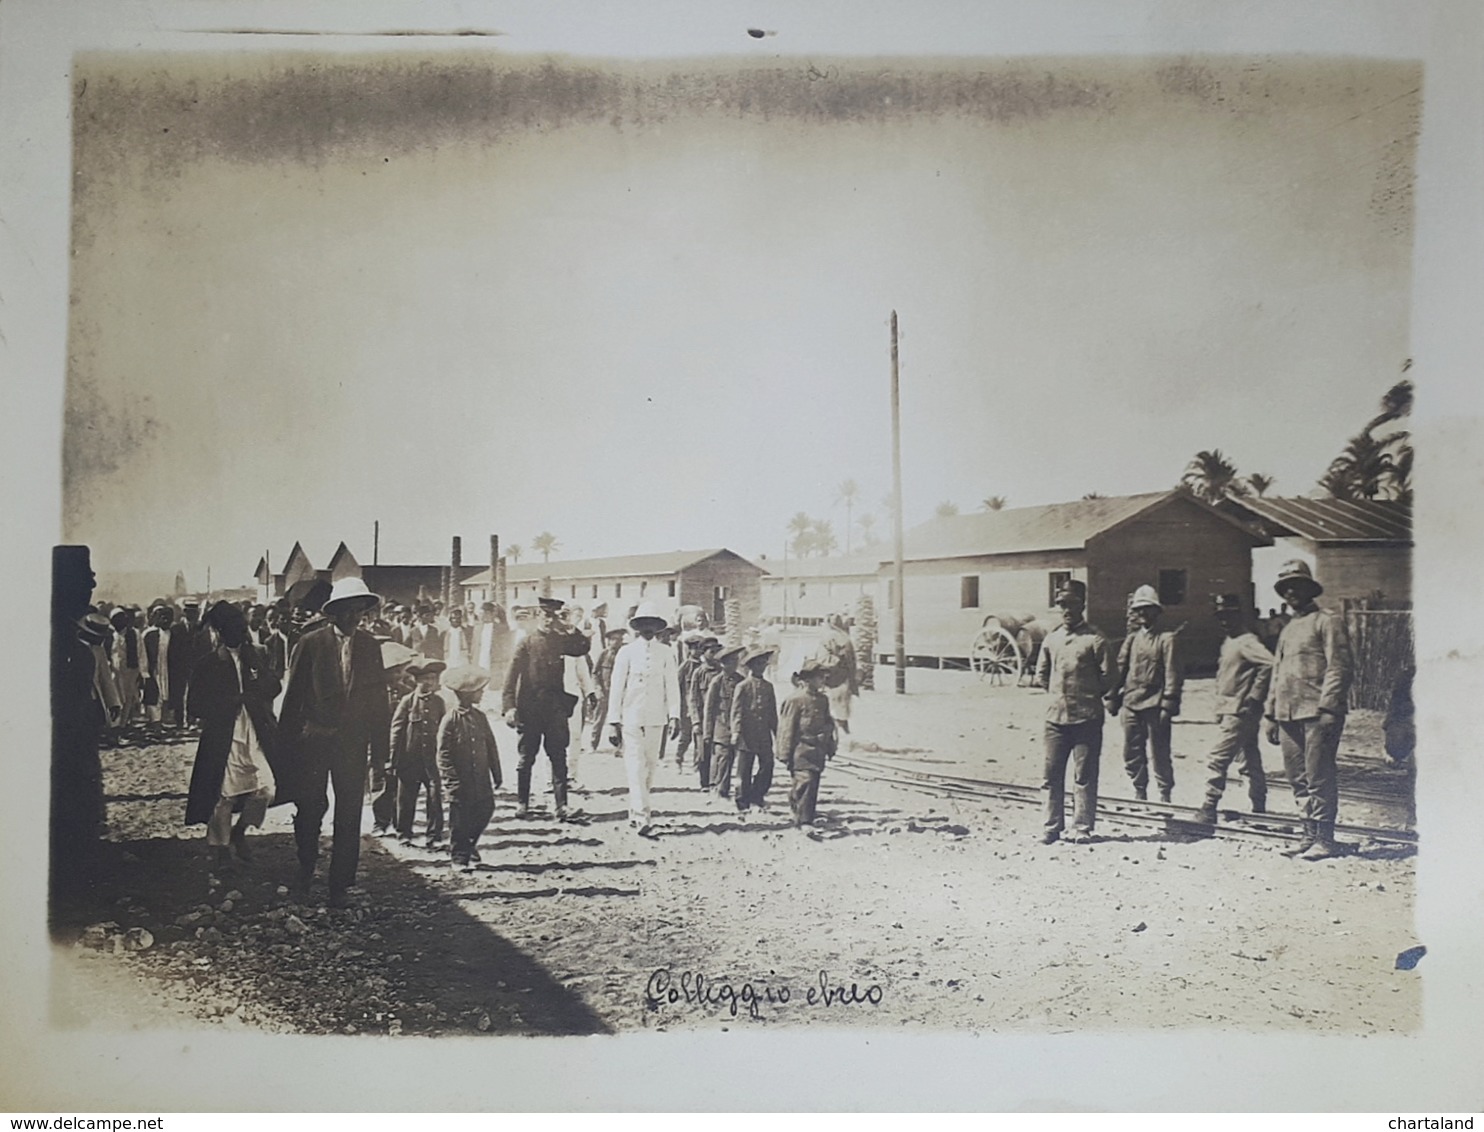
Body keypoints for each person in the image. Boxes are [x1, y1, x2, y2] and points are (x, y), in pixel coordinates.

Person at [277, 576, 391, 906]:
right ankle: (306, 866)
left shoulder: (370, 646)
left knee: (350, 812)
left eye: (360, 611)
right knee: (310, 807)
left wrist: (380, 753)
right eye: (349, 611)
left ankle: (341, 883)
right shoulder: (310, 643)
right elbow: (293, 698)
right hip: (314, 742)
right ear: (334, 612)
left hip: (353, 745)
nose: (355, 617)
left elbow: (378, 701)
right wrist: (286, 747)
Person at [184, 602, 285, 871]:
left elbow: (274, 688)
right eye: (233, 628)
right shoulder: (208, 663)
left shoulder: (257, 654)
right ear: (220, 631)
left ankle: (240, 831)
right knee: (223, 794)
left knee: (265, 789)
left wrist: (258, 674)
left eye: (242, 627)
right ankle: (220, 849)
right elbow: (194, 705)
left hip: (254, 730)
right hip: (223, 734)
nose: (240, 632)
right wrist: (228, 702)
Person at [1263, 560, 1353, 860]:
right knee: (1297, 778)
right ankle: (1308, 835)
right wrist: (1270, 714)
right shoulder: (1288, 629)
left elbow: (1339, 667)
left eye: (1297, 585)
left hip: (1318, 714)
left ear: (1309, 588)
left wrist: (1329, 707)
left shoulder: (1327, 621)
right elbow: (1277, 673)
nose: (1291, 591)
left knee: (1319, 776)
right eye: (1286, 587)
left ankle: (1325, 838)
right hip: (1288, 714)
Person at [1034, 580, 1117, 844]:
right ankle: (1052, 826)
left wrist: (1088, 696)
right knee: (1051, 775)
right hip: (1055, 720)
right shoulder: (1052, 639)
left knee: (1084, 776)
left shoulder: (1095, 639)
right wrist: (1059, 697)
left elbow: (1110, 677)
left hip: (1087, 719)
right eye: (1062, 605)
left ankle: (1081, 827)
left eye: (1072, 604)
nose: (1067, 610)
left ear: (1082, 605)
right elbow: (1041, 675)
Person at [501, 595, 591, 820]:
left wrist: (570, 627)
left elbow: (582, 647)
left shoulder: (560, 639)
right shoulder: (527, 642)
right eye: (546, 615)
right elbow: (510, 678)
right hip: (529, 710)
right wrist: (509, 707)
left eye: (553, 616)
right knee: (526, 758)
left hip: (554, 711)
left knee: (558, 757)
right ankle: (523, 803)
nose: (549, 620)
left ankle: (561, 806)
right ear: (538, 616)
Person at [51, 546, 106, 894]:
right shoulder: (58, 640)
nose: (92, 585)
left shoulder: (71, 637)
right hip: (64, 749)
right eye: (84, 581)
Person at [605, 602, 682, 837]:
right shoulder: (626, 652)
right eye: (643, 624)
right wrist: (613, 721)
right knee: (635, 764)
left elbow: (672, 685)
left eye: (652, 624)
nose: (648, 628)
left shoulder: (667, 652)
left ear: (657, 628)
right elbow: (616, 687)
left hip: (656, 717)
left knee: (650, 765)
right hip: (631, 716)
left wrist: (675, 715)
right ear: (637, 627)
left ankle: (635, 809)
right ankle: (642, 816)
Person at [1195, 594, 1273, 824]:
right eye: (1220, 616)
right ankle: (1258, 807)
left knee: (1217, 758)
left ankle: (1208, 807)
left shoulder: (1247, 641)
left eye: (1229, 615)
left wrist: (1254, 697)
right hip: (1231, 709)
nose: (1224, 621)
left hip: (1239, 711)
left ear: (1239, 615)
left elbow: (1269, 664)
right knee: (1249, 759)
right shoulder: (1230, 641)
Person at [1108, 584, 1183, 802]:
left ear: (1157, 612)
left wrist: (1169, 703)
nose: (1142, 614)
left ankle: (1164, 793)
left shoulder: (1167, 639)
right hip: (1131, 703)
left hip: (1155, 704)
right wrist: (1112, 694)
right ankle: (1139, 790)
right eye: (1138, 609)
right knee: (1132, 751)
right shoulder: (1132, 639)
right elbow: (1120, 668)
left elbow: (1173, 674)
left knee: (1160, 752)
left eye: (1147, 609)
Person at [437, 665, 503, 869]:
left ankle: (469, 844)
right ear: (465, 694)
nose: (482, 693)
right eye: (478, 691)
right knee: (460, 820)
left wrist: (496, 773)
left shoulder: (480, 717)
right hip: (461, 781)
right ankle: (459, 857)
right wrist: (451, 781)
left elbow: (490, 745)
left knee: (485, 809)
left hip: (481, 778)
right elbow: (443, 754)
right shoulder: (450, 720)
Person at [391, 658, 448, 847]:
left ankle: (434, 836)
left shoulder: (439, 702)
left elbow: (444, 730)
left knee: (435, 797)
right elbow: (397, 730)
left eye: (432, 678)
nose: (429, 682)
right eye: (425, 679)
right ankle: (404, 834)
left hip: (432, 760)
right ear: (416, 680)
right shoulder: (407, 702)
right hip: (410, 759)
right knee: (406, 798)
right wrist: (393, 759)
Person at [778, 657, 836, 829]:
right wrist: (784, 752)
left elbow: (828, 723)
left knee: (813, 783)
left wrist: (830, 746)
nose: (822, 680)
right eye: (819, 677)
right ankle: (804, 821)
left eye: (823, 676)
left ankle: (803, 812)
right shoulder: (795, 700)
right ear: (807, 679)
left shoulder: (822, 700)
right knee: (805, 781)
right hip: (800, 749)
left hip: (817, 750)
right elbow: (786, 727)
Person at [731, 646, 778, 812]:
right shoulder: (742, 686)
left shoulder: (768, 687)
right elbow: (736, 711)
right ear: (751, 666)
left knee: (767, 765)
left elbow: (772, 712)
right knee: (744, 769)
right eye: (758, 664)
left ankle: (757, 795)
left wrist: (777, 733)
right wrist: (736, 732)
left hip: (764, 734)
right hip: (746, 734)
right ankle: (742, 801)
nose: (762, 667)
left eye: (764, 664)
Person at [704, 644, 746, 798]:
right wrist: (707, 732)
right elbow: (709, 709)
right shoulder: (717, 682)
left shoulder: (741, 681)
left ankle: (722, 787)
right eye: (730, 662)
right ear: (722, 664)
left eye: (736, 661)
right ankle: (718, 788)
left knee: (730, 757)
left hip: (736, 726)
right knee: (722, 756)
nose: (734, 664)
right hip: (720, 726)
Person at [816, 613, 859, 739]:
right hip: (845, 677)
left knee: (832, 708)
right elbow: (851, 661)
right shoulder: (845, 637)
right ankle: (845, 734)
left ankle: (837, 738)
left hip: (831, 678)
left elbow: (822, 658)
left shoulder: (828, 637)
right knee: (842, 707)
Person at [687, 636, 722, 789]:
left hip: (719, 718)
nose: (714, 655)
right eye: (711, 652)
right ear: (704, 653)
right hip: (702, 719)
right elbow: (693, 699)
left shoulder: (722, 672)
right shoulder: (698, 673)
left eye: (717, 652)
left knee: (719, 750)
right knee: (703, 752)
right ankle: (705, 782)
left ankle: (716, 781)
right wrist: (695, 722)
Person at [590, 626, 628, 753]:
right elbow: (595, 673)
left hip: (620, 692)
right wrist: (598, 688)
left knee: (620, 719)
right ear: (608, 641)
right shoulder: (604, 654)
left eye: (619, 639)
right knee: (599, 719)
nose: (616, 642)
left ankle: (619, 747)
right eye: (613, 639)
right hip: (605, 692)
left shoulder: (625, 654)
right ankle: (593, 745)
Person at [674, 633, 706, 770]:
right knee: (685, 737)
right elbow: (676, 687)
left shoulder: (704, 666)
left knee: (699, 736)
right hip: (686, 708)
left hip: (701, 706)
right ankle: (678, 758)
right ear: (690, 650)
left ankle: (697, 764)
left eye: (701, 649)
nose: (698, 652)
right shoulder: (685, 667)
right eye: (696, 649)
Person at [109, 608, 144, 730]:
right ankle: (115, 727)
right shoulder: (110, 634)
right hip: (114, 673)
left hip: (130, 672)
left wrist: (142, 672)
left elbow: (141, 653)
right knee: (116, 700)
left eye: (121, 618)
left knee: (128, 700)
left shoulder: (134, 634)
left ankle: (122, 726)